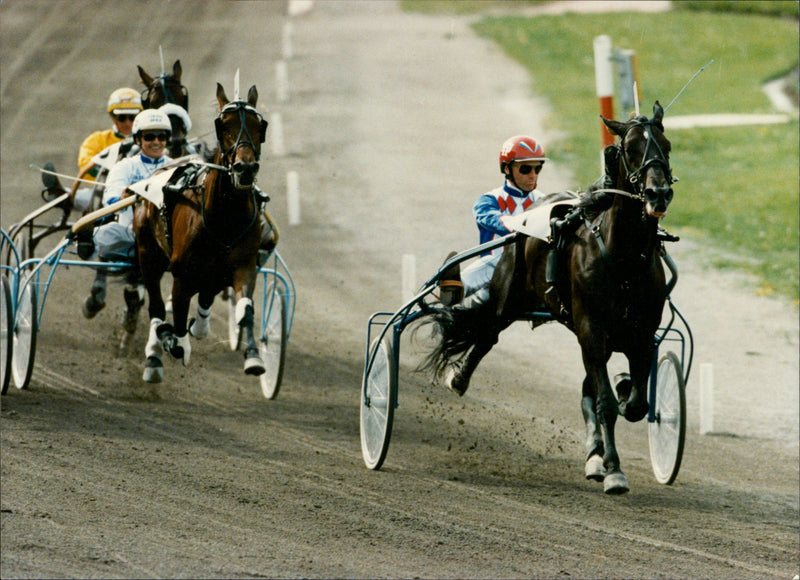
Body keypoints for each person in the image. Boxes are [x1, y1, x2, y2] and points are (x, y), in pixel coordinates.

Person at [80, 109, 173, 329]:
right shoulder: (125, 166)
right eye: (149, 137)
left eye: (161, 136)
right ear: (139, 139)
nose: (156, 142)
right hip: (129, 235)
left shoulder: (178, 168)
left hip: (167, 241)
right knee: (103, 235)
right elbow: (110, 198)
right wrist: (124, 196)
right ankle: (87, 239)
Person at [439, 135, 548, 308]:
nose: (533, 175)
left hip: (532, 269)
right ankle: (453, 289)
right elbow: (488, 218)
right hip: (496, 268)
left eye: (538, 168)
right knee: (494, 262)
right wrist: (519, 224)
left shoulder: (544, 200)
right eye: (526, 169)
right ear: (507, 169)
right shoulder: (490, 199)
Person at [41, 87, 143, 210]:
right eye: (122, 117)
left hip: (141, 191)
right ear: (112, 116)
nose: (127, 123)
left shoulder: (152, 140)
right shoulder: (97, 139)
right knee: (92, 196)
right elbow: (85, 163)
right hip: (106, 191)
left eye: (132, 117)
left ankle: (66, 197)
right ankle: (63, 196)